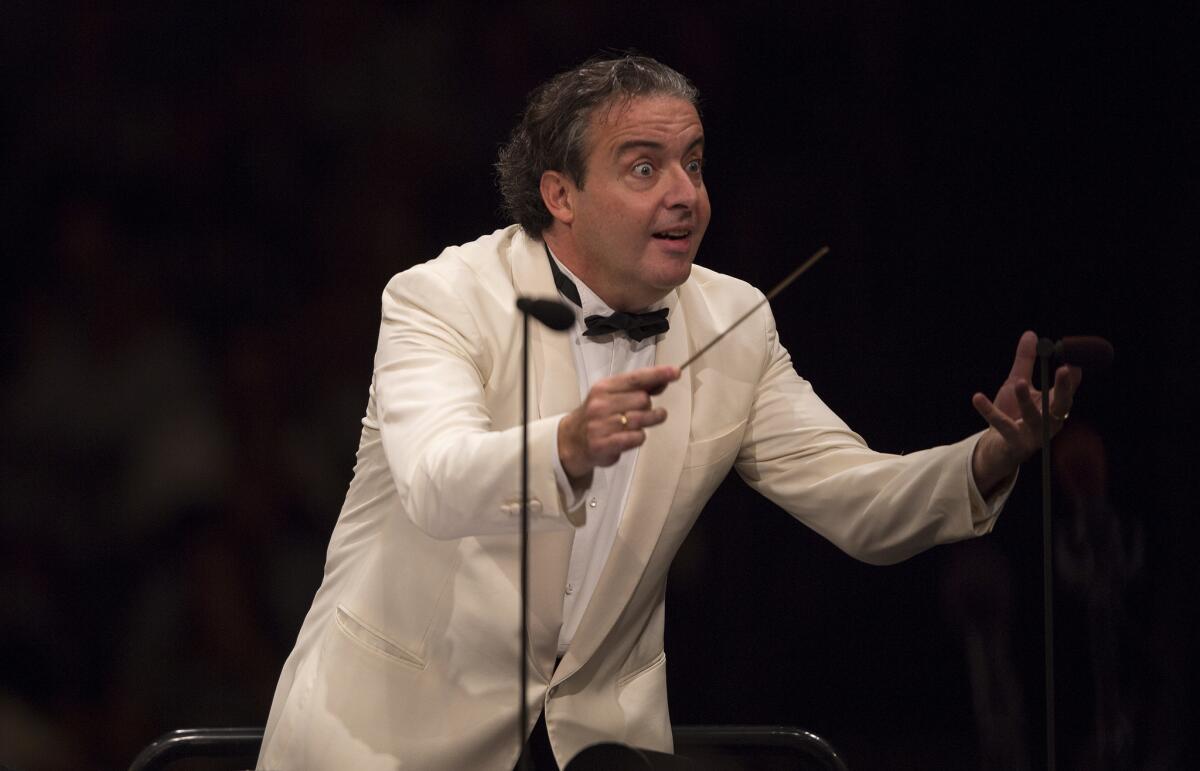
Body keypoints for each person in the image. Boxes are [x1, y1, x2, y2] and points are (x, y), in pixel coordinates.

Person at [257, 55, 1079, 771]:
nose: (686, 194)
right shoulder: (442, 297)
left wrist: (989, 458)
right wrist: (566, 446)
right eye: (644, 167)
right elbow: (436, 482)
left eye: (694, 163)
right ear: (561, 194)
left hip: (597, 757)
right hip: (388, 740)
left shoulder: (735, 320)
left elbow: (860, 501)